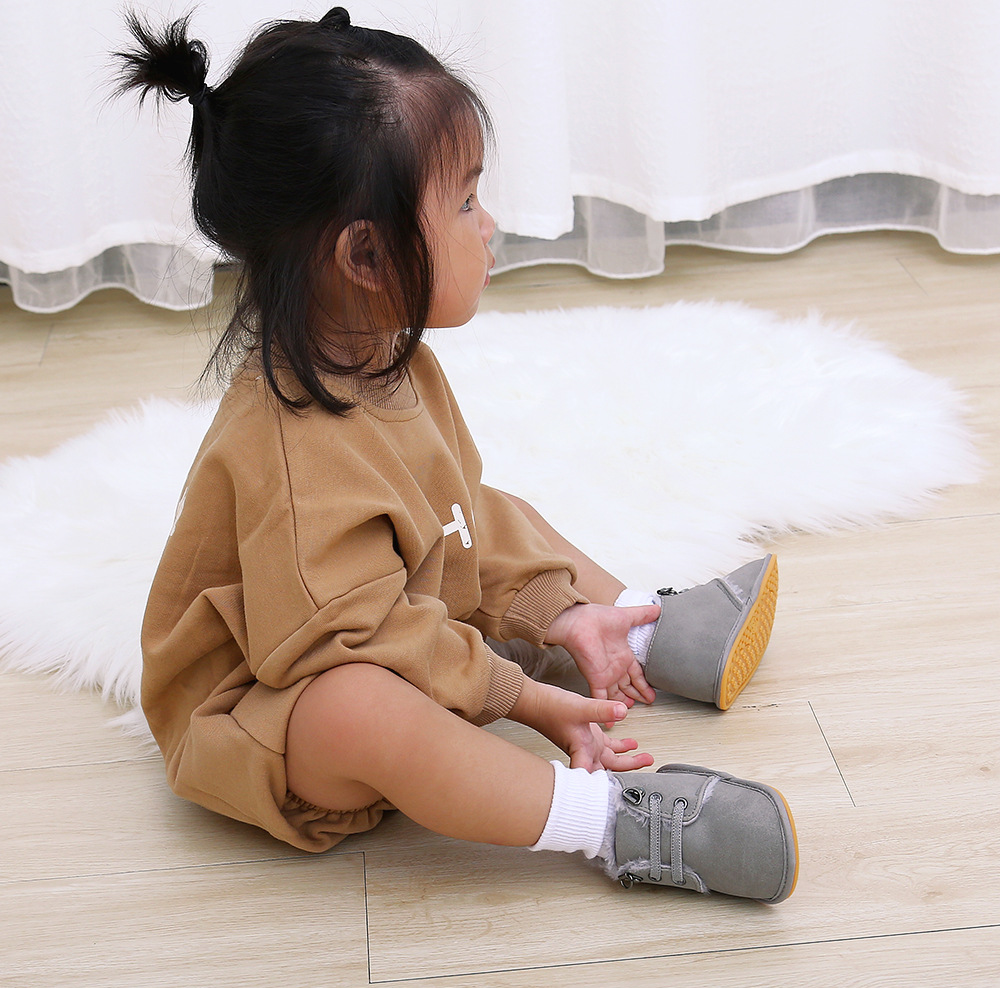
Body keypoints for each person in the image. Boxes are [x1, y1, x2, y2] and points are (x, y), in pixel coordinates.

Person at [119, 7, 797, 903]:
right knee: (358, 708)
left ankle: (639, 629)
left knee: (486, 509)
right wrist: (523, 699)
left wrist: (554, 609)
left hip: (379, 621)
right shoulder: (290, 456)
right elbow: (356, 639)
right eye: (467, 201)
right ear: (366, 254)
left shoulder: (387, 357)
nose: (488, 224)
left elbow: (457, 523)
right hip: (270, 709)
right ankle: (611, 821)